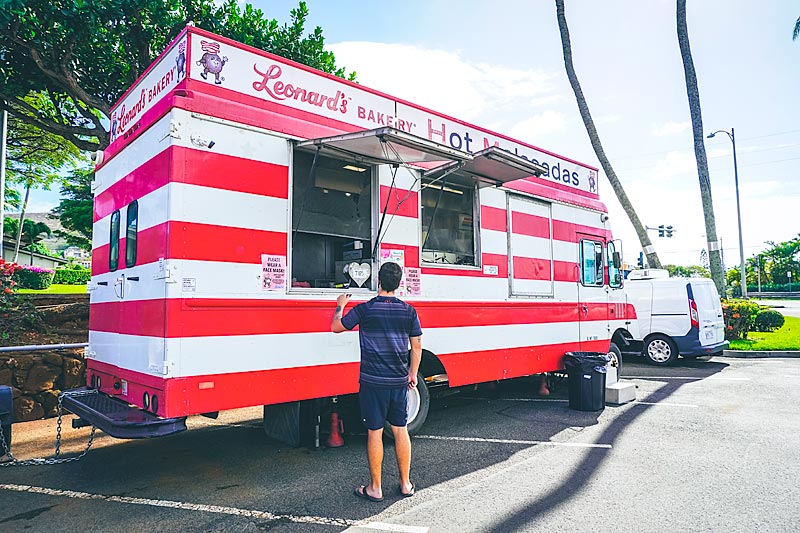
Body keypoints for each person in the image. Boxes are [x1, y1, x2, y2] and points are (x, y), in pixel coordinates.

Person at [331, 262, 422, 503]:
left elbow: (336, 327)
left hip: (372, 382)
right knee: (400, 430)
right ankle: (405, 483)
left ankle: (375, 488)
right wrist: (412, 373)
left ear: (378, 281)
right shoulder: (408, 311)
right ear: (398, 283)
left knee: (375, 432)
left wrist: (340, 306)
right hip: (398, 381)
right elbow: (417, 345)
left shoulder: (366, 309)